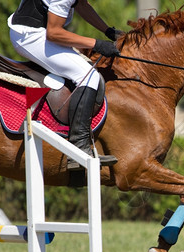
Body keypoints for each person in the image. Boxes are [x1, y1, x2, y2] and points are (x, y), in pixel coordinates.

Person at [8, 0, 122, 170]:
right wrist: (96, 44)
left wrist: (108, 31)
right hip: (31, 36)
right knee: (88, 75)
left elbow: (82, 5)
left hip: (39, 30)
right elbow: (54, 33)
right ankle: (78, 148)